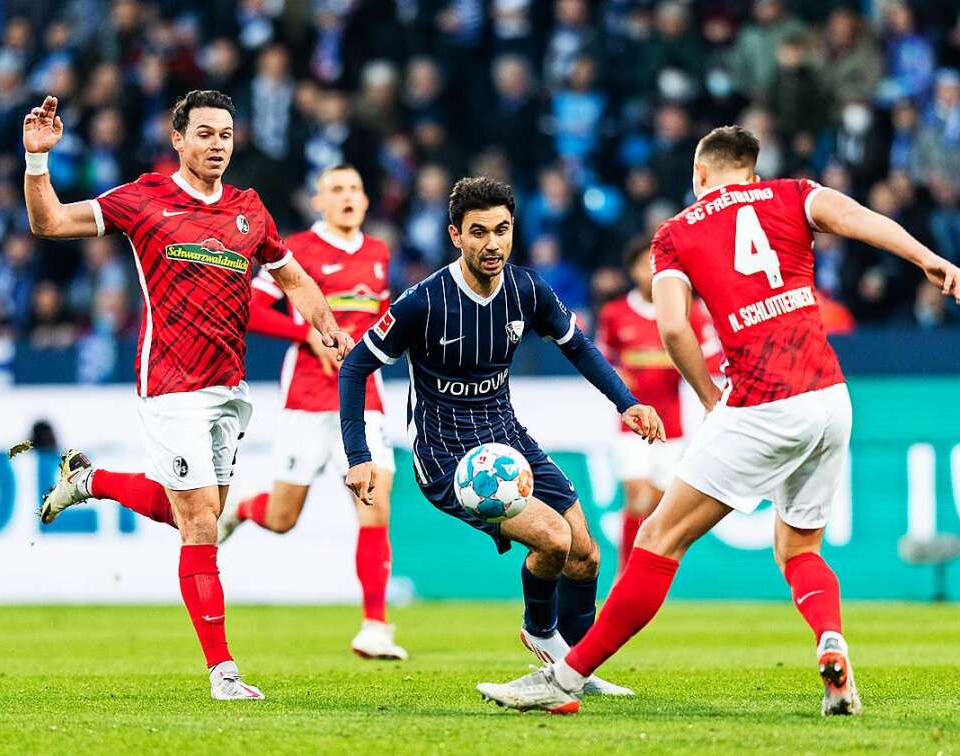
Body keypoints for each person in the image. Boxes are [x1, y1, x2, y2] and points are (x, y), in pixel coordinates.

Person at [477, 125, 960, 715]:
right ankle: (830, 639)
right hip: (829, 396)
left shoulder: (677, 232)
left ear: (699, 175)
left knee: (657, 537)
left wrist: (709, 396)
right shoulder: (793, 194)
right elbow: (857, 215)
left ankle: (565, 676)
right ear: (751, 172)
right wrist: (928, 258)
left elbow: (674, 325)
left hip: (761, 401)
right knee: (800, 547)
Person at [24, 91, 352, 700]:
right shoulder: (144, 198)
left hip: (230, 385)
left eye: (226, 134)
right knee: (201, 521)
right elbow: (48, 223)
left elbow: (291, 276)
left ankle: (90, 480)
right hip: (170, 384)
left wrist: (326, 325)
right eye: (204, 133)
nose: (218, 144)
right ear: (178, 139)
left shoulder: (249, 210)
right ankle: (223, 672)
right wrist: (37, 161)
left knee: (195, 512)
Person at [338, 176, 665, 698]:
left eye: (502, 230)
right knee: (554, 540)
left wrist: (627, 403)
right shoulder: (423, 302)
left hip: (506, 438)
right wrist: (358, 454)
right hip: (448, 459)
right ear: (456, 236)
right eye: (478, 232)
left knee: (586, 555)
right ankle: (540, 634)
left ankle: (576, 670)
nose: (492, 244)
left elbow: (578, 346)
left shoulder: (527, 289)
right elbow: (354, 367)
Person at [217, 164, 408, 660]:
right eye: (336, 189)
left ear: (366, 202)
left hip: (363, 397)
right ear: (318, 201)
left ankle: (375, 626)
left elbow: (386, 321)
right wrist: (307, 333)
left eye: (355, 188)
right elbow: (251, 309)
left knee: (376, 504)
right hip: (306, 397)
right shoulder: (296, 249)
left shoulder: (378, 254)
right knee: (283, 518)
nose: (347, 197)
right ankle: (243, 509)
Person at [597, 235, 722, 576]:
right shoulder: (615, 314)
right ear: (633, 270)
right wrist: (618, 374)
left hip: (673, 426)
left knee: (657, 508)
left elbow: (712, 360)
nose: (652, 274)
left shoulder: (688, 312)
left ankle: (643, 575)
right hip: (632, 425)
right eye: (644, 266)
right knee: (637, 499)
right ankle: (626, 576)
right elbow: (602, 360)